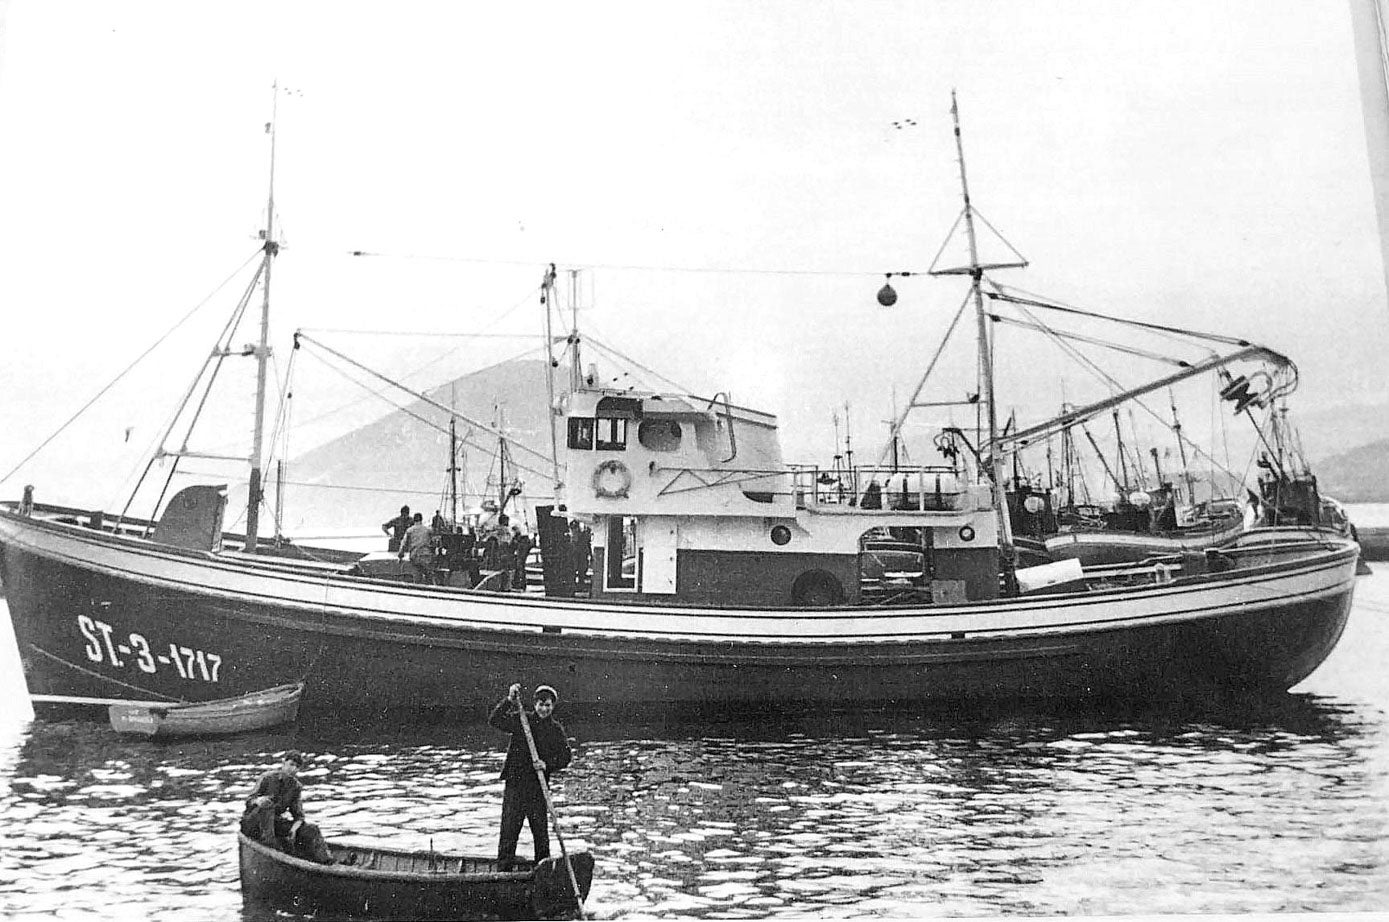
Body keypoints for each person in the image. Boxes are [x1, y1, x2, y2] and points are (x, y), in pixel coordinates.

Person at [488, 683, 572, 870]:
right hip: (515, 786)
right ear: (535, 704)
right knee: (509, 833)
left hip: (537, 789)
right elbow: (495, 720)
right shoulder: (522, 720)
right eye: (541, 705)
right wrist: (509, 700)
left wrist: (547, 764)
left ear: (553, 706)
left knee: (541, 835)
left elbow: (566, 757)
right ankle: (503, 873)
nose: (544, 709)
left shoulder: (555, 729)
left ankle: (543, 872)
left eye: (548, 705)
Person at [239, 750, 334, 864]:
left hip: (273, 822)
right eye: (291, 765)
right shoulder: (267, 778)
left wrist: (294, 829)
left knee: (311, 829)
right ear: (284, 763)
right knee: (267, 806)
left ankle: (327, 862)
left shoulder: (295, 787)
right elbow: (249, 801)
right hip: (254, 821)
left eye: (297, 767)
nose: (293, 769)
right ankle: (273, 846)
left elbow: (299, 816)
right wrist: (258, 801)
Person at [399, 512, 436, 583]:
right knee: (429, 576)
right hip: (426, 556)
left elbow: (403, 544)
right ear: (421, 520)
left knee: (417, 577)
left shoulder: (409, 530)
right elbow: (434, 543)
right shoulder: (428, 530)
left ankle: (418, 589)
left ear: (413, 520)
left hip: (415, 556)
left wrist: (400, 556)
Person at [569, 521, 591, 587]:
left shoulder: (583, 535)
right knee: (573, 569)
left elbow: (587, 544)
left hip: (582, 554)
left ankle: (580, 583)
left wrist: (590, 554)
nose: (574, 530)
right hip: (575, 554)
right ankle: (573, 583)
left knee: (582, 569)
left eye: (575, 528)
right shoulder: (571, 538)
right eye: (573, 529)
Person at [511, 526, 533, 591]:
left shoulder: (522, 541)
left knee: (519, 565)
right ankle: (520, 583)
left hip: (520, 556)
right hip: (521, 555)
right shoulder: (524, 540)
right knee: (520, 566)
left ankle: (520, 583)